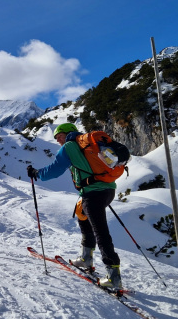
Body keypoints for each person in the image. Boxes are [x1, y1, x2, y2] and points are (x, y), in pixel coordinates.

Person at [27, 123, 122, 289]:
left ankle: (113, 276)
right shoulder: (88, 145)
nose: (58, 141)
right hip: (106, 190)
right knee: (81, 214)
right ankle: (86, 258)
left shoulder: (70, 146)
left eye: (59, 137)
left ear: (67, 133)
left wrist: (37, 173)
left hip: (93, 193)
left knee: (101, 232)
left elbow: (55, 170)